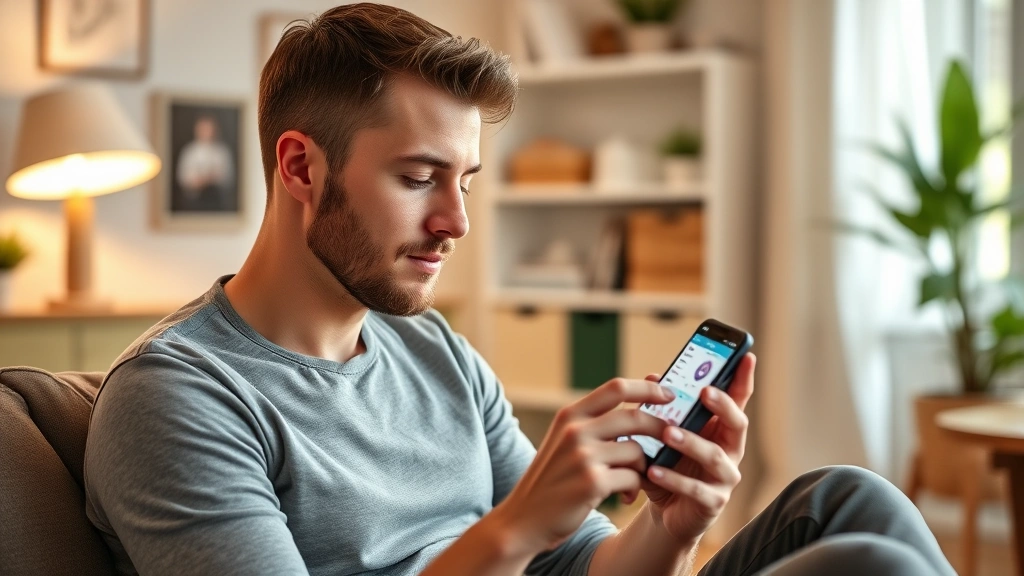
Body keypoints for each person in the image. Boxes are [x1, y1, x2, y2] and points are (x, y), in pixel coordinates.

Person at [83, 4, 957, 576]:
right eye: (419, 178)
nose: (456, 222)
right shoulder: (180, 396)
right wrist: (517, 524)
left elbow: (586, 565)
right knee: (869, 567)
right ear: (301, 167)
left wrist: (674, 526)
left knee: (847, 499)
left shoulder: (435, 352)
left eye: (463, 181)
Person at [174, 115, 235, 211]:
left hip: (216, 200)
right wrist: (198, 182)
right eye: (204, 129)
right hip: (194, 200)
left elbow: (228, 178)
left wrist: (211, 179)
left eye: (209, 129)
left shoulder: (222, 152)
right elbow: (183, 178)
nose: (207, 133)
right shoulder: (189, 151)